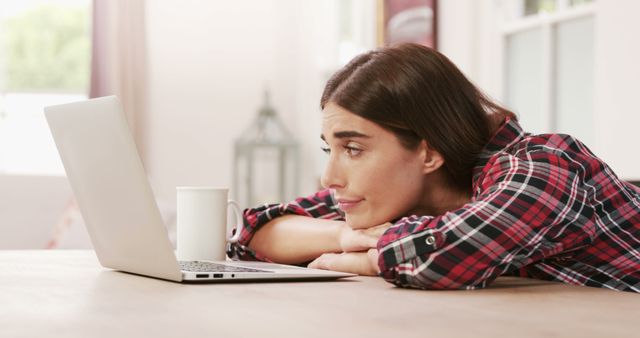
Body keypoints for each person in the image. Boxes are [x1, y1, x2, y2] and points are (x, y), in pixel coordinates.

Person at [229, 43, 640, 292]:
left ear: (429, 152)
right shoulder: (402, 193)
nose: (330, 177)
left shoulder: (545, 167)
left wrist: (367, 259)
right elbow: (255, 233)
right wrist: (344, 233)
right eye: (329, 150)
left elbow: (450, 253)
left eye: (353, 149)